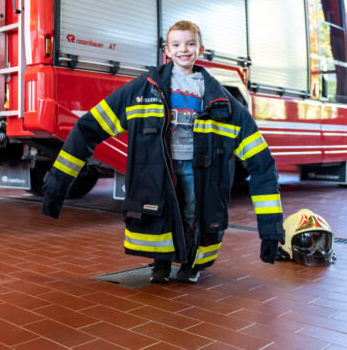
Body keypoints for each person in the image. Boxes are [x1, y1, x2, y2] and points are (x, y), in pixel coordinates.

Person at [42, 20, 283, 284]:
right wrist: (57, 187)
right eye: (176, 44)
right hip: (162, 168)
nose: (184, 50)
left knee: (193, 214)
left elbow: (262, 162)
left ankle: (190, 265)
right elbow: (88, 128)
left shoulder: (222, 101)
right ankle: (161, 264)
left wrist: (270, 230)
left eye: (190, 44)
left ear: (200, 49)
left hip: (195, 170)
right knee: (162, 211)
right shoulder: (141, 91)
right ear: (166, 50)